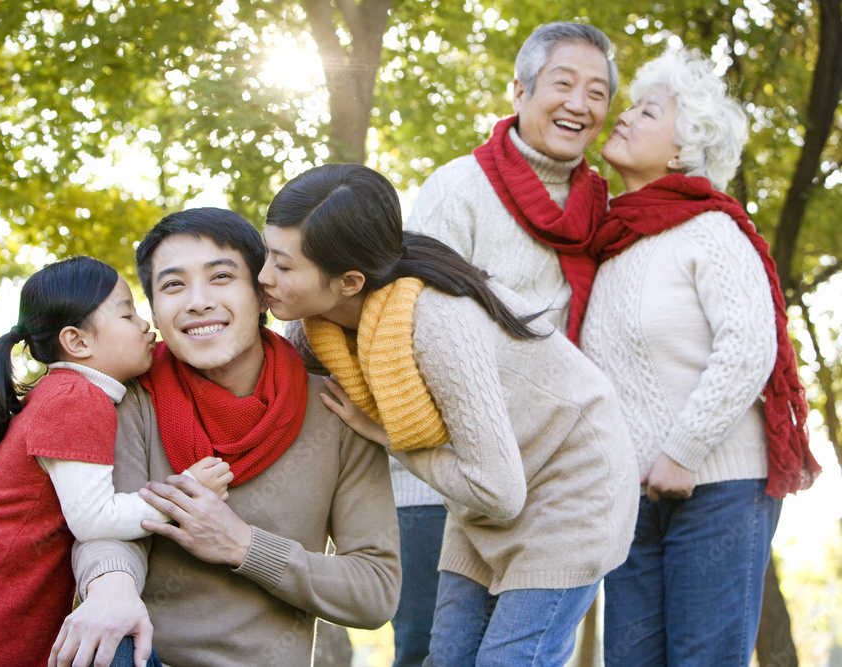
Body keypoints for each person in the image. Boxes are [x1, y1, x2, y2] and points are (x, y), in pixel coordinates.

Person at [259, 163, 638, 666]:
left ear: (349, 281)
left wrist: (384, 434)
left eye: (284, 267)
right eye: (267, 255)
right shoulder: (322, 331)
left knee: (509, 660)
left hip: (571, 486)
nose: (264, 277)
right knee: (447, 657)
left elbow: (500, 493)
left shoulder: (437, 322)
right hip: (487, 486)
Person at [49, 208, 401, 667]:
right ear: (155, 311)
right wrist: (110, 588)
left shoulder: (336, 410)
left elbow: (374, 590)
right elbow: (107, 528)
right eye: (173, 285)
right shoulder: (130, 397)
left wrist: (242, 545)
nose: (197, 302)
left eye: (220, 277)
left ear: (261, 294)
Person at [578, 49, 821, 665]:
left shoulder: (711, 230)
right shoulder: (610, 241)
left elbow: (749, 346)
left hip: (719, 486)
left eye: (646, 110)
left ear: (684, 150)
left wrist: (682, 451)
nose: (624, 117)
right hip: (631, 500)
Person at [398, 23, 618, 663]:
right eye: (564, 83)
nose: (580, 104)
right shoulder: (458, 188)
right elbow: (409, 322)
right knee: (428, 649)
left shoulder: (601, 213)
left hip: (550, 476)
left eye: (598, 92)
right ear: (518, 89)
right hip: (443, 474)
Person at [0, 256, 232, 667]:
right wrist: (184, 493)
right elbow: (95, 519)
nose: (147, 325)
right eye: (127, 313)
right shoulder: (77, 399)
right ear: (78, 341)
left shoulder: (65, 394)